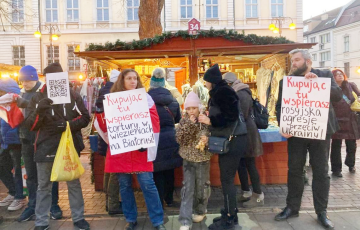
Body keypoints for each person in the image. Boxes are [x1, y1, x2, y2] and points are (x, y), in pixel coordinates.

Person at [275, 49, 342, 229]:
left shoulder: (325, 75)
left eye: (296, 60)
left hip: (320, 132)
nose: (293, 64)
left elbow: (337, 97)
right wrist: (284, 125)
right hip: (296, 134)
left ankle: (321, 212)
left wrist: (319, 83)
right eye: (292, 61)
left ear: (308, 61)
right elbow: (279, 106)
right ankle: (292, 207)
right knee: (295, 170)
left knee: (321, 171)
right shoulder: (287, 82)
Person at [24, 62, 90, 230]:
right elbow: (30, 126)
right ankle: (41, 222)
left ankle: (78, 218)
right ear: (46, 79)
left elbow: (85, 117)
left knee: (73, 183)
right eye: (50, 78)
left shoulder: (73, 95)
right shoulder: (38, 98)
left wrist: (67, 125)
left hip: (68, 147)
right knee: (44, 186)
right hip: (45, 147)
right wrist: (39, 111)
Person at [100, 69, 166, 230]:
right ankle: (130, 219)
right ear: (122, 80)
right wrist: (100, 113)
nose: (133, 81)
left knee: (148, 185)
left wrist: (147, 139)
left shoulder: (146, 98)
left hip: (140, 151)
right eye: (129, 78)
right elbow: (107, 126)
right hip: (122, 151)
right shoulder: (113, 100)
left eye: (135, 78)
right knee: (124, 186)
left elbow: (154, 120)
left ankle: (157, 220)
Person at [199, 64, 247, 230]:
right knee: (226, 179)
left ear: (211, 81)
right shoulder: (221, 91)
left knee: (227, 180)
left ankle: (230, 219)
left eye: (205, 81)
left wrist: (210, 120)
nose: (204, 84)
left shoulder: (223, 92)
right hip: (233, 140)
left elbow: (230, 116)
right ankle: (228, 213)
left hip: (233, 141)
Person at [16, 65, 63, 222]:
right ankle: (33, 206)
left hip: (44, 140)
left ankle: (53, 205)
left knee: (50, 175)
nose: (24, 84)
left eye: (27, 80)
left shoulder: (43, 91)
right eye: (22, 81)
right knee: (31, 175)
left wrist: (24, 103)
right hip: (26, 139)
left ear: (34, 78)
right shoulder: (22, 93)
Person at [223, 72, 264, 208]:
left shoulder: (241, 92)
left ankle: (258, 195)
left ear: (229, 83)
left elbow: (241, 114)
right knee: (241, 163)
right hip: (242, 132)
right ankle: (246, 191)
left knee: (250, 164)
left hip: (247, 133)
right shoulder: (237, 91)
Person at [176, 92, 212, 230]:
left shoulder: (206, 119)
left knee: (202, 187)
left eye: (194, 108)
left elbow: (214, 134)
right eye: (188, 108)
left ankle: (200, 210)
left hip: (203, 158)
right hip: (188, 159)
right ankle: (185, 220)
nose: (191, 111)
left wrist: (207, 140)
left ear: (199, 107)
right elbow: (180, 139)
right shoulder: (184, 121)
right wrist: (190, 125)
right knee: (187, 188)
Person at [148, 68, 182, 207]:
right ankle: (169, 199)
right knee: (169, 170)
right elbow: (178, 119)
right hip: (170, 138)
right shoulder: (173, 102)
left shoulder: (146, 101)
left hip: (153, 140)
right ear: (164, 83)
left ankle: (159, 200)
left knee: (157, 171)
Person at [95, 69, 123, 215]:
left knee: (109, 170)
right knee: (115, 172)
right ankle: (112, 204)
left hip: (104, 137)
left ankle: (108, 201)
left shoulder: (102, 92)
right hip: (114, 137)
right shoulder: (115, 93)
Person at [0, 78, 26, 211]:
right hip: (5, 141)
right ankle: (13, 192)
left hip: (16, 141)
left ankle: (19, 196)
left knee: (17, 170)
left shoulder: (16, 100)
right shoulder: (3, 102)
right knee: (2, 166)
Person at [330, 69, 360, 177]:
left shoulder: (350, 85)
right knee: (336, 145)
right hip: (336, 119)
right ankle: (336, 169)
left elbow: (359, 95)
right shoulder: (331, 88)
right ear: (333, 77)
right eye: (336, 74)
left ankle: (351, 164)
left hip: (350, 119)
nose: (339, 76)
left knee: (352, 144)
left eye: (341, 74)